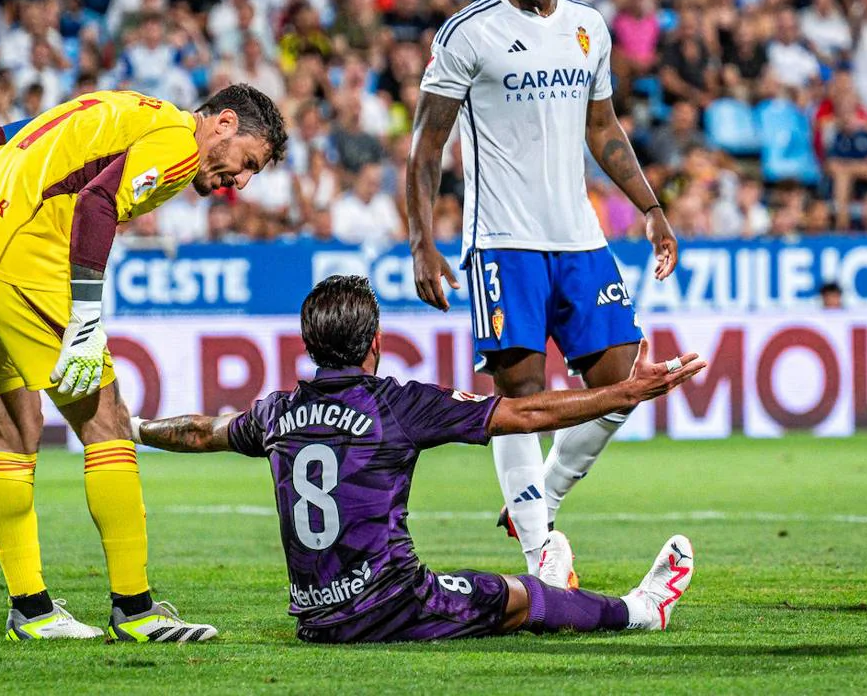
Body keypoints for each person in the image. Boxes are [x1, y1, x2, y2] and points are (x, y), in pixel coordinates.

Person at [0, 85, 287, 641]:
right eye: (247, 162)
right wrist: (86, 318)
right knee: (108, 424)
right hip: (19, 264)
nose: (240, 181)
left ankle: (31, 612)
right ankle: (136, 611)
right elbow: (97, 204)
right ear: (224, 122)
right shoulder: (179, 144)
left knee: (13, 429)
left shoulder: (121, 106)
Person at [131, 275, 703, 643]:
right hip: (390, 606)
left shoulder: (277, 411)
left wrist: (130, 428)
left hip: (313, 619)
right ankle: (642, 609)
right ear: (375, 341)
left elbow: (202, 432)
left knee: (515, 590)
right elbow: (526, 415)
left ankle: (553, 574)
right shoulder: (396, 405)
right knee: (523, 600)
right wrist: (622, 394)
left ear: (308, 344)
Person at [408, 0, 678, 577]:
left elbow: (603, 128)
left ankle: (540, 500)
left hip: (580, 238)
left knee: (624, 379)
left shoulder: (589, 27)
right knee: (520, 396)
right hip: (502, 241)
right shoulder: (468, 32)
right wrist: (422, 240)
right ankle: (540, 555)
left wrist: (649, 208)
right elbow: (426, 145)